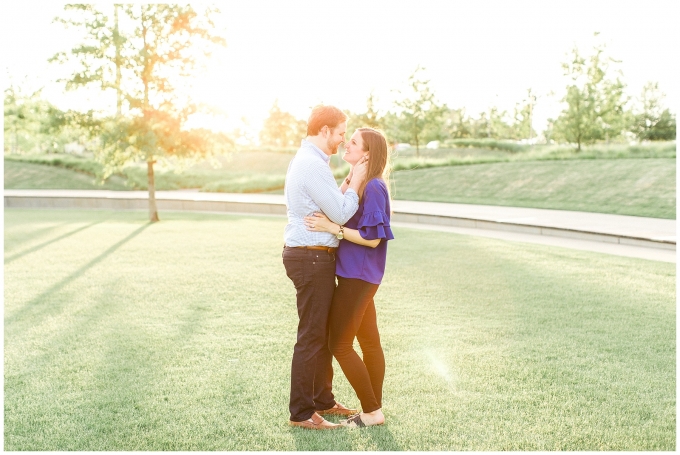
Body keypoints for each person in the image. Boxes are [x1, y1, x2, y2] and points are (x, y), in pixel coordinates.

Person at [282, 105, 370, 430]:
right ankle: (302, 413)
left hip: (313, 255)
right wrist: (358, 181)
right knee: (311, 336)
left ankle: (323, 400)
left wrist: (346, 182)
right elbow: (341, 213)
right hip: (311, 256)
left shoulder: (311, 161)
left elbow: (332, 204)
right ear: (324, 131)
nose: (342, 139)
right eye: (340, 133)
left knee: (320, 334)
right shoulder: (311, 165)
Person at [304, 127, 394, 428]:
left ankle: (371, 411)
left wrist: (334, 230)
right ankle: (374, 410)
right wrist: (349, 180)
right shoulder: (360, 182)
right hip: (355, 275)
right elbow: (338, 208)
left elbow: (372, 240)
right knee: (369, 341)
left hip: (359, 276)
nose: (347, 143)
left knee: (339, 344)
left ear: (367, 153)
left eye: (353, 142)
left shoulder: (375, 188)